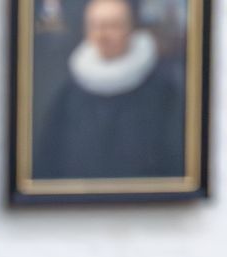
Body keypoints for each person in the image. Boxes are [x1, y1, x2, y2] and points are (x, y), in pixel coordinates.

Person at [34, 0, 187, 181]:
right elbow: (48, 161)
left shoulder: (163, 90)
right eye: (95, 27)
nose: (102, 35)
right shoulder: (69, 93)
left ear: (130, 29)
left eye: (112, 26)